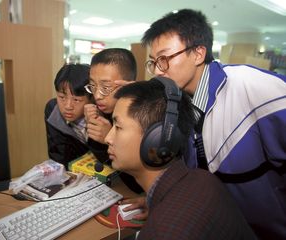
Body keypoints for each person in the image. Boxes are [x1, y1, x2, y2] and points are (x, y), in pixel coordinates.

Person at [140, 9, 286, 239]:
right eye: (154, 62)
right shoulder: (177, 104)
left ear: (198, 53)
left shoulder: (252, 87)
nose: (158, 70)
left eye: (165, 59)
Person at [105, 78, 256, 239]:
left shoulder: (161, 232)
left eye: (118, 127)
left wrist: (162, 213)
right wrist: (155, 202)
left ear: (159, 138)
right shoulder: (204, 178)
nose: (108, 138)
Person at [84, 48, 143, 193]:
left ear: (128, 85)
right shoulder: (104, 110)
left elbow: (137, 184)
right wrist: (94, 129)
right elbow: (107, 164)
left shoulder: (143, 116)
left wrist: (111, 138)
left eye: (106, 87)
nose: (97, 95)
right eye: (93, 86)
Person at [44, 64, 108, 168]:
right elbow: (58, 156)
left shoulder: (105, 114)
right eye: (62, 97)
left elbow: (107, 160)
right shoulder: (53, 109)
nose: (68, 106)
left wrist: (93, 123)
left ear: (92, 98)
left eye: (76, 100)